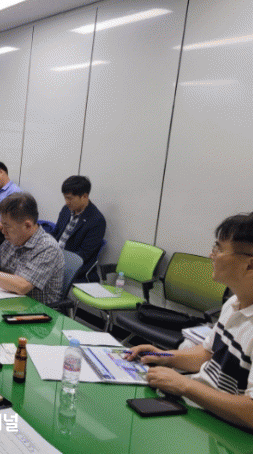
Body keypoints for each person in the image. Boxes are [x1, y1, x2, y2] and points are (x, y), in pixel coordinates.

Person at [126, 213, 253, 431]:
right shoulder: (234, 302)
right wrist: (164, 356)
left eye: (219, 249)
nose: (211, 255)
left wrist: (184, 385)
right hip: (200, 410)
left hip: (225, 429)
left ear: (249, 264)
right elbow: (208, 353)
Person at [52, 175, 106, 281]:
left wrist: (56, 262)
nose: (66, 202)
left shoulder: (97, 221)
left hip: (72, 269)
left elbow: (83, 255)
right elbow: (56, 233)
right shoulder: (66, 210)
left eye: (70, 198)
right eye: (65, 197)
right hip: (55, 259)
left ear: (84, 196)